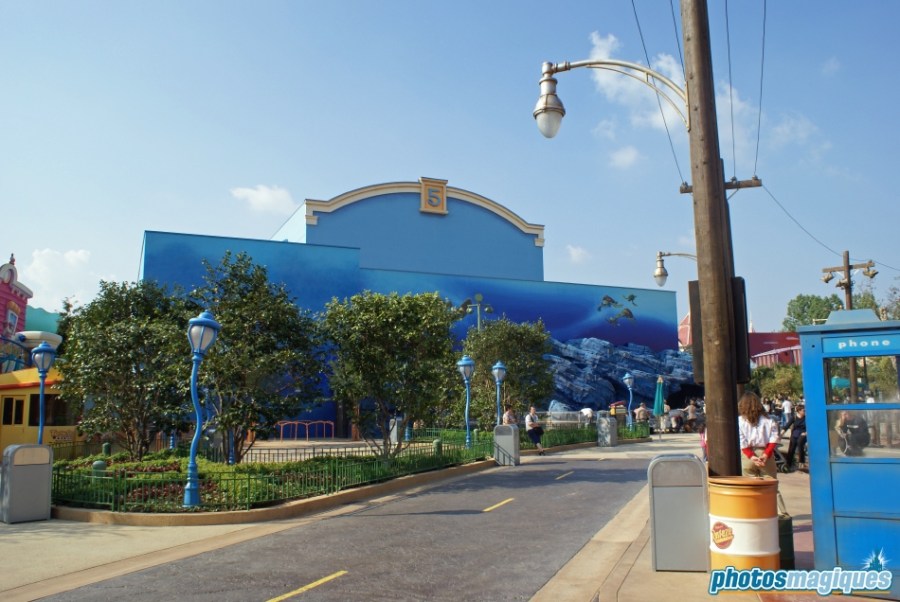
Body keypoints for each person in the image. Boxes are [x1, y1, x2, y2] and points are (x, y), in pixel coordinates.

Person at [737, 391, 787, 514]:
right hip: (765, 453)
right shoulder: (769, 419)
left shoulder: (740, 421)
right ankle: (781, 514)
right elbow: (774, 439)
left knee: (749, 487)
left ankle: (752, 513)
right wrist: (765, 454)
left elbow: (742, 441)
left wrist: (751, 456)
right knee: (772, 486)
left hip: (748, 456)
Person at [783, 404, 807, 470]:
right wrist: (781, 434)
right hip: (795, 433)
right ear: (799, 411)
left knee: (800, 442)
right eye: (803, 410)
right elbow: (787, 426)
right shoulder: (794, 417)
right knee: (792, 446)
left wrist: (806, 433)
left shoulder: (806, 417)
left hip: (803, 433)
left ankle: (801, 462)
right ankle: (788, 464)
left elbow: (811, 427)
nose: (805, 412)